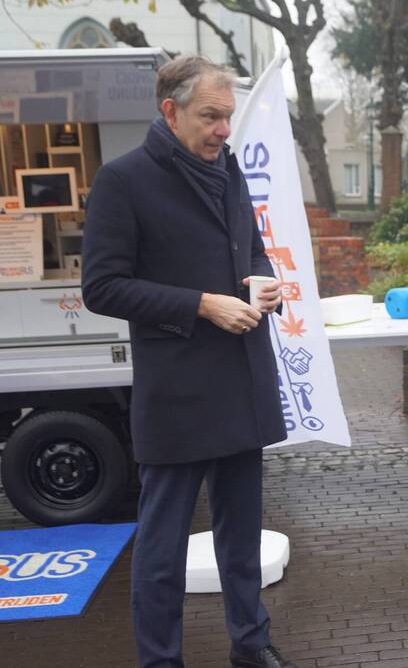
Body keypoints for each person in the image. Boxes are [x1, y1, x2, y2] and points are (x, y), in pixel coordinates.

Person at [82, 56, 297, 668]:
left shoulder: (227, 171)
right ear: (170, 111)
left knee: (242, 537)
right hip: (177, 395)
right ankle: (160, 660)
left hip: (242, 383)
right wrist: (202, 305)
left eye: (228, 116)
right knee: (162, 548)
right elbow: (102, 287)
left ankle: (251, 644)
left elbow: (249, 249)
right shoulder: (123, 181)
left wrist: (264, 282)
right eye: (211, 116)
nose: (224, 130)